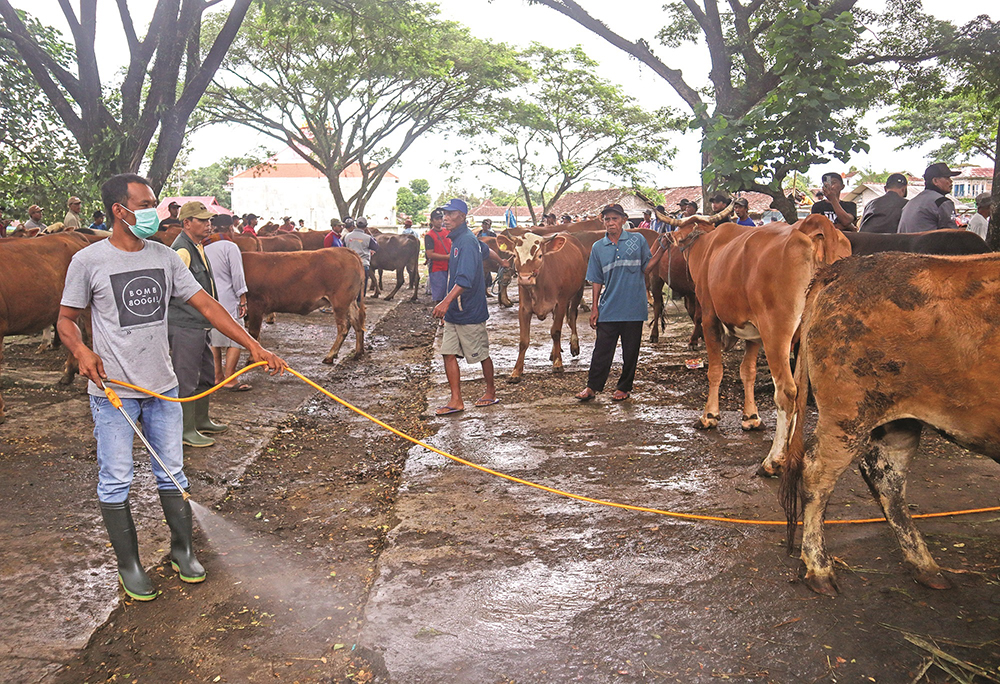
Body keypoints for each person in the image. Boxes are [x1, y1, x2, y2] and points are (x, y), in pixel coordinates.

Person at [57, 173, 286, 602]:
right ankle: (130, 565)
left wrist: (252, 344)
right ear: (119, 211)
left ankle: (182, 550)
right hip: (114, 394)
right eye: (144, 204)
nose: (154, 211)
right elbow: (66, 318)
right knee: (116, 479)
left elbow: (206, 304)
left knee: (173, 473)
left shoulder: (164, 256)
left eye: (154, 203)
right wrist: (82, 352)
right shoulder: (89, 261)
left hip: (163, 388)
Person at [575, 203, 667, 402]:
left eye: (614, 219)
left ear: (624, 220)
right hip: (609, 307)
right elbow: (597, 280)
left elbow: (647, 267)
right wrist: (595, 308)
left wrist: (661, 251)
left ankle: (624, 387)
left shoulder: (637, 240)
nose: (610, 223)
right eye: (607, 219)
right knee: (601, 350)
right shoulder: (598, 247)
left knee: (630, 351)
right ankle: (592, 387)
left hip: (634, 307)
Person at [165, 201, 231, 448]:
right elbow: (174, 290)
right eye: (202, 221)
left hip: (198, 323)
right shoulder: (182, 250)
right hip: (185, 324)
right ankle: (185, 429)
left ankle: (201, 419)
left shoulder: (197, 246)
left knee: (205, 373)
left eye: (209, 220)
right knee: (186, 377)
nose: (208, 224)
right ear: (187, 223)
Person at [431, 198, 498, 415]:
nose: (446, 219)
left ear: (463, 216)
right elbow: (487, 251)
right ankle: (456, 400)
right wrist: (504, 263)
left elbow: (465, 279)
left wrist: (445, 302)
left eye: (451, 215)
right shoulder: (459, 240)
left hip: (469, 309)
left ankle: (490, 391)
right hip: (454, 311)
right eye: (444, 215)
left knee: (480, 353)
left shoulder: (467, 241)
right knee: (448, 353)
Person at [204, 214, 251, 392]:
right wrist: (243, 297)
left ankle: (217, 376)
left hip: (208, 297)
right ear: (231, 228)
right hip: (228, 297)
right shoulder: (230, 246)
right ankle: (231, 377)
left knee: (214, 338)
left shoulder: (204, 245)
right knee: (236, 337)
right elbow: (237, 275)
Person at [898, 163, 961, 233]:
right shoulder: (941, 202)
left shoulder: (911, 202)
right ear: (935, 181)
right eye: (947, 177)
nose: (950, 181)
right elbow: (952, 234)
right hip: (927, 243)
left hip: (907, 242)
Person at [424, 207, 451, 303]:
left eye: (441, 218)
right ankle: (440, 316)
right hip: (437, 268)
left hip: (448, 267)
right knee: (439, 296)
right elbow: (430, 254)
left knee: (448, 294)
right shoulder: (429, 235)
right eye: (437, 219)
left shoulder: (447, 231)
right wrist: (447, 257)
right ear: (432, 221)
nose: (440, 221)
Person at [344, 216, 379, 284]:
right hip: (363, 264)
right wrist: (370, 234)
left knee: (351, 285)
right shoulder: (368, 238)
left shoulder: (347, 236)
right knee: (362, 286)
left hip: (350, 264)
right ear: (365, 226)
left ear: (356, 225)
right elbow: (376, 247)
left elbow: (344, 248)